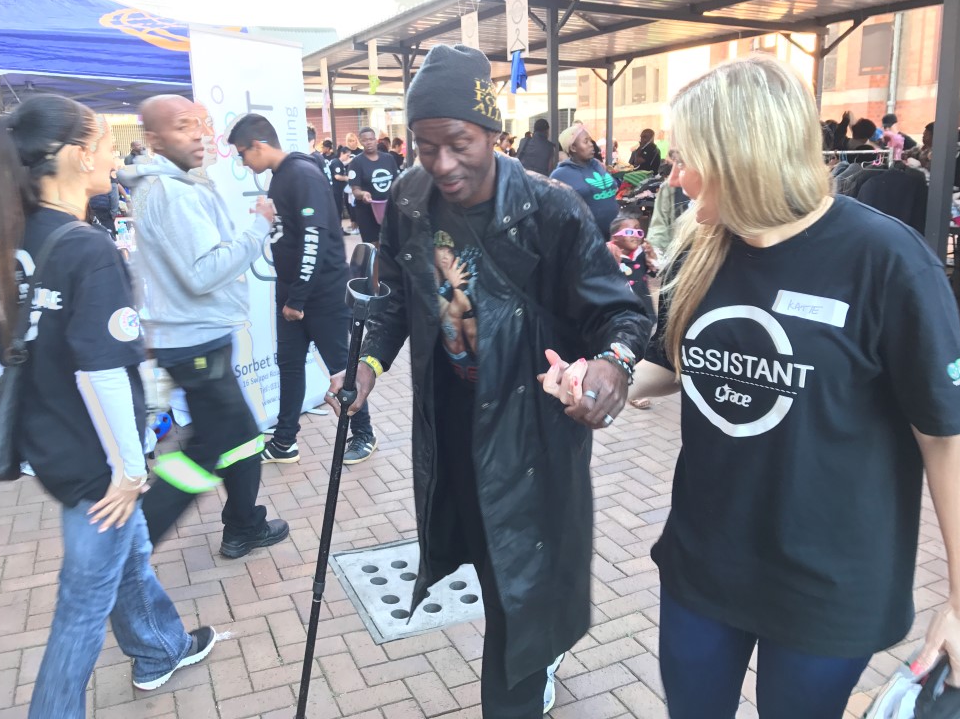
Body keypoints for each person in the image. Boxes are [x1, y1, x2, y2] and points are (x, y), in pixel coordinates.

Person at [596, 56, 960, 719]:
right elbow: (673, 360)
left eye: (686, 158)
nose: (674, 176)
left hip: (826, 586)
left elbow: (947, 436)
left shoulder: (885, 259)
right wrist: (607, 378)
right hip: (704, 563)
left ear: (742, 156)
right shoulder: (699, 248)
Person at [330, 44, 654, 718]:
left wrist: (614, 364)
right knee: (490, 560)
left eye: (458, 143)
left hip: (531, 432)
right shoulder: (412, 199)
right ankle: (534, 644)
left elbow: (622, 312)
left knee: (518, 594)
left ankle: (527, 665)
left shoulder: (551, 209)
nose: (442, 163)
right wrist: (367, 366)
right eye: (425, 147)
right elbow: (395, 299)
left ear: (491, 131)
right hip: (452, 421)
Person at [0, 95, 217, 719]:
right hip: (98, 462)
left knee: (129, 555)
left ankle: (159, 646)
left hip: (55, 444)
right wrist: (130, 470)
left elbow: (8, 340)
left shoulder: (17, 239)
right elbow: (103, 371)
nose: (116, 159)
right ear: (80, 156)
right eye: (108, 147)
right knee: (82, 607)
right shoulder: (86, 248)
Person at [121, 94, 289, 557]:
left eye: (201, 122)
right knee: (209, 449)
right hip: (195, 342)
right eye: (183, 125)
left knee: (240, 438)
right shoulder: (173, 192)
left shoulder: (173, 184)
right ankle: (129, 548)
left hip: (196, 338)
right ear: (154, 139)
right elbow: (203, 272)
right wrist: (258, 228)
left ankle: (244, 524)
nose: (199, 134)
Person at [228, 114, 378, 465]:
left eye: (242, 154)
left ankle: (364, 434)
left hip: (321, 296)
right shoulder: (282, 177)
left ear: (258, 145)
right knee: (290, 366)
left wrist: (297, 299)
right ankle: (284, 441)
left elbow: (314, 239)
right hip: (293, 294)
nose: (243, 162)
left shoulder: (301, 174)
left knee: (341, 369)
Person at [550, 124, 619, 240]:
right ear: (573, 148)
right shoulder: (560, 175)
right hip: (588, 240)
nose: (591, 144)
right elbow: (554, 210)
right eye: (585, 142)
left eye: (590, 141)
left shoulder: (597, 165)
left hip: (615, 236)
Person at [349, 127, 399, 245]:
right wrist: (363, 194)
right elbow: (355, 189)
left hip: (388, 209)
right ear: (360, 142)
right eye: (365, 140)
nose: (369, 142)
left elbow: (397, 183)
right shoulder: (356, 162)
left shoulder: (388, 159)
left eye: (371, 139)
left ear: (376, 140)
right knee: (373, 246)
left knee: (391, 245)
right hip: (367, 212)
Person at [645, 149, 692, 260]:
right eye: (675, 162)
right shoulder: (669, 189)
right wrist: (656, 254)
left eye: (681, 163)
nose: (671, 179)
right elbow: (659, 226)